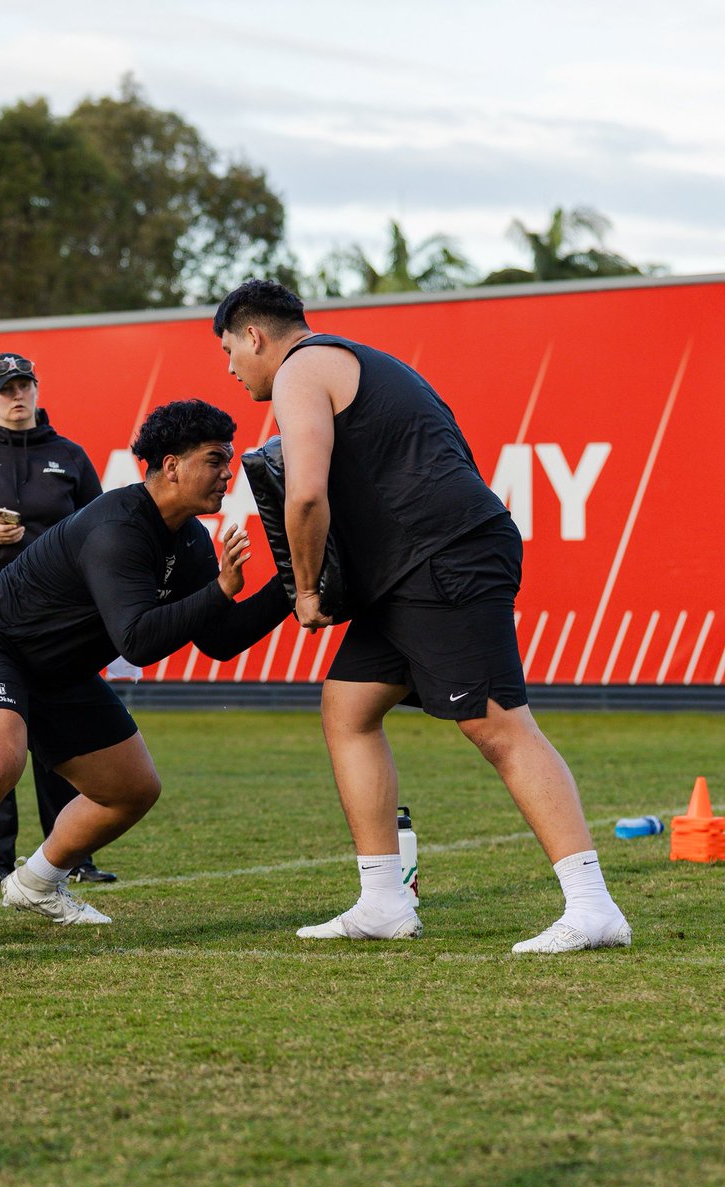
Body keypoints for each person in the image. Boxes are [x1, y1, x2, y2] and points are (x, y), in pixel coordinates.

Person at [213, 279, 631, 955]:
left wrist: (309, 590)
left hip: (442, 560)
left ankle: (593, 907)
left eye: (229, 350)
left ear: (254, 335)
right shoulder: (364, 361)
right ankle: (383, 900)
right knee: (348, 709)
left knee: (496, 723)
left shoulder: (300, 370)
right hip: (416, 568)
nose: (230, 367)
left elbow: (307, 495)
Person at [0, 399, 290, 946]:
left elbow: (221, 641)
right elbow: (138, 640)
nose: (228, 472)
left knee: (132, 789)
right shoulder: (118, 525)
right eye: (215, 459)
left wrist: (290, 583)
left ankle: (36, 883)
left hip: (58, 670)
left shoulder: (187, 539)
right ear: (172, 464)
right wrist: (220, 591)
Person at [0, 350, 118, 886]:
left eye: (24, 386)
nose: (16, 396)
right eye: (5, 390)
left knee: (61, 739)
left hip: (56, 618)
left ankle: (70, 856)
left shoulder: (70, 456)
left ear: (37, 391)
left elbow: (101, 532)